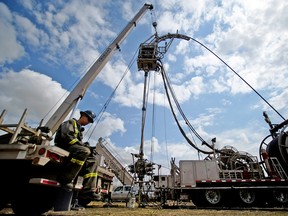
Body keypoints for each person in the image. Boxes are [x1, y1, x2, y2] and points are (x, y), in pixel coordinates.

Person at [54, 110, 101, 201]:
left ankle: (88, 190)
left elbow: (78, 143)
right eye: (88, 119)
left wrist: (87, 147)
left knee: (93, 159)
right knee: (84, 151)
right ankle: (66, 179)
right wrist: (83, 146)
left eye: (90, 121)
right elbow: (67, 137)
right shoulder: (71, 122)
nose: (88, 122)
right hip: (64, 146)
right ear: (83, 115)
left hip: (74, 149)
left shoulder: (80, 130)